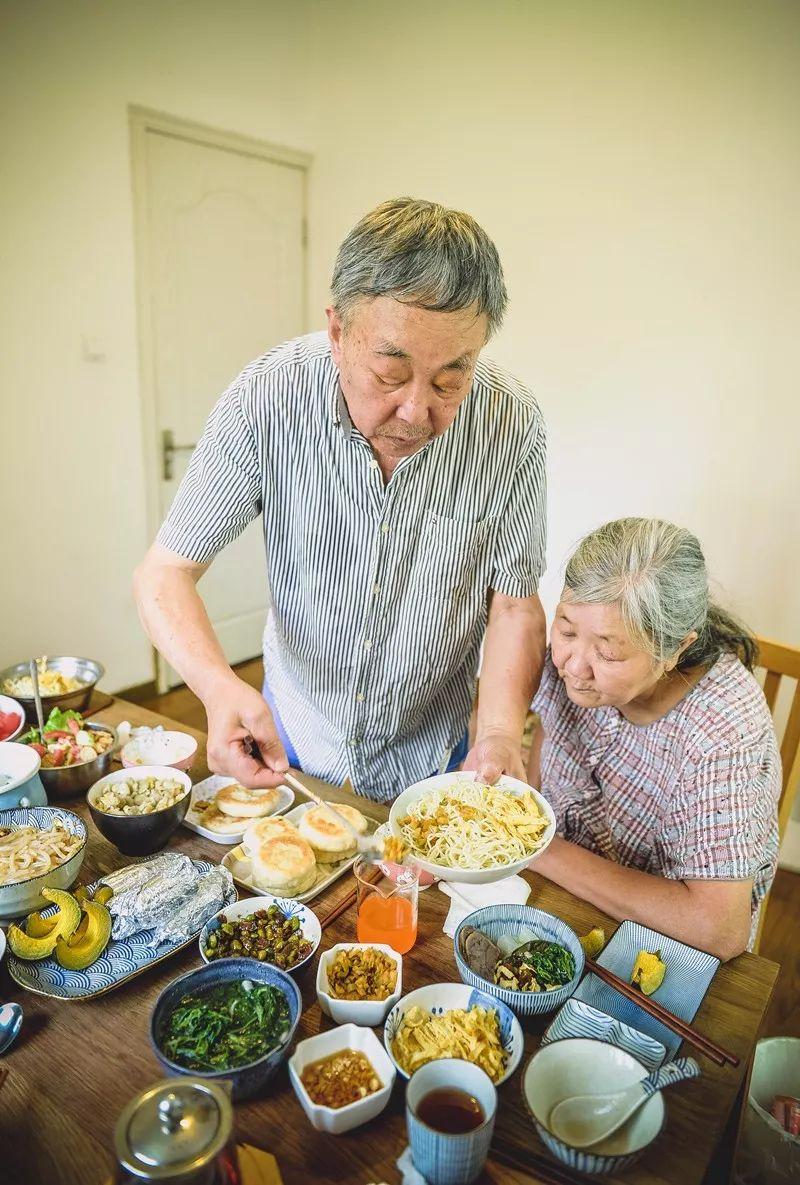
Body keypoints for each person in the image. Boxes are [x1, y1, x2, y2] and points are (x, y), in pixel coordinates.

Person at [135, 198, 547, 803]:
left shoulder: (511, 422)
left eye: (450, 379)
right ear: (337, 331)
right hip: (292, 730)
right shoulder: (269, 398)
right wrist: (219, 688)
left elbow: (515, 605)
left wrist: (500, 733)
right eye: (389, 373)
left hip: (434, 744)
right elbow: (164, 574)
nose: (415, 411)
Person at [528, 518, 780, 958]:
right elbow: (540, 773)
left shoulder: (723, 731)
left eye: (607, 652)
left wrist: (533, 848)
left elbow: (718, 929)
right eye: (566, 630)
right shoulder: (572, 668)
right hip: (553, 902)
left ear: (675, 650)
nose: (572, 665)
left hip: (656, 955)